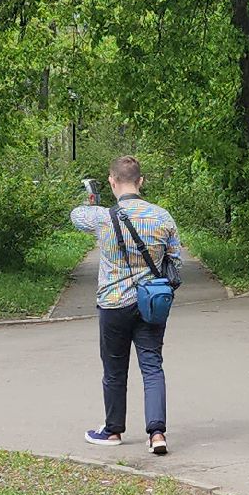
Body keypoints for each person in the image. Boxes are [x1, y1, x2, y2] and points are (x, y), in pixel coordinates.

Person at [70, 155, 181, 455]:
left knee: (114, 369)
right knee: (152, 367)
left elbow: (76, 215)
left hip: (113, 304)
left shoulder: (103, 218)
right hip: (151, 303)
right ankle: (157, 434)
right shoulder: (162, 217)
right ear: (141, 181)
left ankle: (113, 430)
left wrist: (91, 198)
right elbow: (177, 262)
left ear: (112, 181)